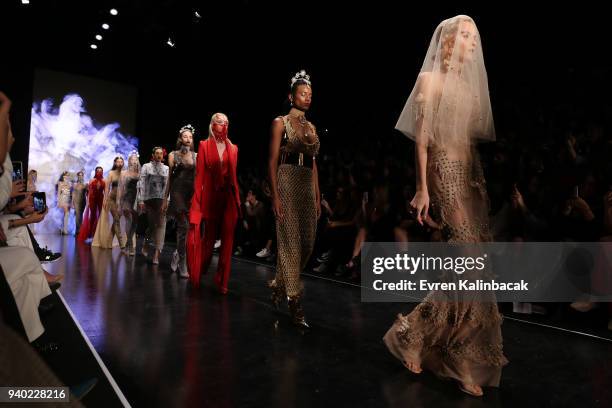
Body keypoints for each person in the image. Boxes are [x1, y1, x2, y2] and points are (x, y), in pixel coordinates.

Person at [382, 16, 507, 396]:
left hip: (470, 180)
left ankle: (417, 337)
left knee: (472, 268)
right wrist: (423, 189)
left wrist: (478, 189)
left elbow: (467, 145)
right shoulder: (429, 80)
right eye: (466, 36)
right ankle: (451, 356)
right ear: (449, 40)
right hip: (443, 176)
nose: (473, 42)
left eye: (475, 37)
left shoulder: (469, 92)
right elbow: (422, 141)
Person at [267, 70, 321, 328]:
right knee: (290, 243)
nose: (307, 97)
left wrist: (317, 193)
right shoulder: (280, 122)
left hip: (306, 184)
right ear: (291, 96)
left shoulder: (310, 127)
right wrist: (275, 195)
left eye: (310, 94)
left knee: (308, 243)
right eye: (303, 94)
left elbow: (314, 163)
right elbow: (272, 160)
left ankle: (279, 283)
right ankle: (294, 300)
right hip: (287, 180)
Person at [187, 114, 240, 294]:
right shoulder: (203, 145)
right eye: (219, 122)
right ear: (212, 124)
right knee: (208, 240)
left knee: (228, 241)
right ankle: (200, 269)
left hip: (228, 199)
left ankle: (223, 281)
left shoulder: (233, 148)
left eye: (226, 122)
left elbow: (233, 177)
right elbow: (199, 175)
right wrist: (196, 200)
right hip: (210, 197)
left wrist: (237, 201)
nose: (223, 125)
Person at [167, 125, 197, 278]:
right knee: (183, 225)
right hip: (177, 191)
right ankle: (182, 262)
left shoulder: (196, 156)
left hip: (191, 193)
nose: (188, 139)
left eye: (190, 137)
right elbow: (170, 177)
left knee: (187, 228)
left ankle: (177, 254)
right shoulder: (173, 154)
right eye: (185, 136)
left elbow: (199, 177)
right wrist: (166, 197)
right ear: (180, 138)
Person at [138, 147, 169, 265]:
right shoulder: (146, 166)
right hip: (149, 199)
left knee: (161, 226)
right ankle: (146, 242)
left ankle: (156, 254)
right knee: (152, 226)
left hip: (161, 200)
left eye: (161, 153)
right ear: (153, 154)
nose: (159, 155)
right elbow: (142, 183)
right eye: (157, 153)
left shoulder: (166, 168)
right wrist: (141, 200)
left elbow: (167, 185)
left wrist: (167, 200)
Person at [119, 151, 141, 256]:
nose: (134, 161)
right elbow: (121, 188)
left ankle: (128, 243)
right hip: (127, 198)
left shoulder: (140, 173)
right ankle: (130, 244)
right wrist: (119, 202)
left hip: (137, 198)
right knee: (128, 219)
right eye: (132, 159)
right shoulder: (124, 173)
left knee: (135, 222)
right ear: (129, 161)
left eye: (135, 159)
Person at [77, 167, 105, 242]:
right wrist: (88, 202)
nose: (99, 172)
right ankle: (90, 234)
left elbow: (105, 192)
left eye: (100, 171)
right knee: (92, 215)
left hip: (100, 199)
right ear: (95, 172)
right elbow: (89, 192)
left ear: (102, 172)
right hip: (93, 199)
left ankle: (98, 234)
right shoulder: (92, 180)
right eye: (98, 171)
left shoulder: (104, 181)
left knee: (100, 216)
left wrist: (105, 201)